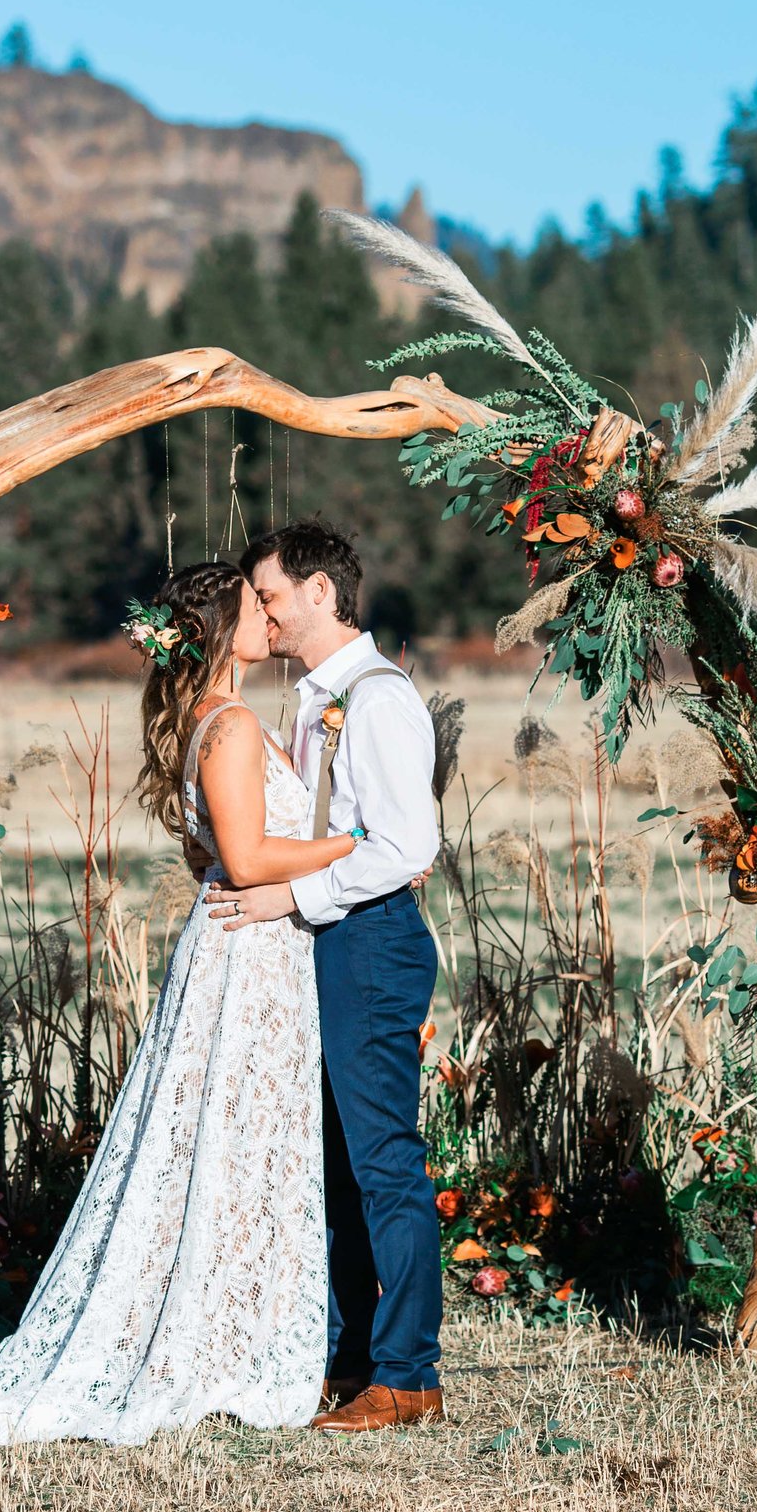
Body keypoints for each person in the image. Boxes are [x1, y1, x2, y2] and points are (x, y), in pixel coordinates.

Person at [0, 561, 352, 1445]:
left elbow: (212, 857)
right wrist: (354, 844)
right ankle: (215, 1343)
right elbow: (248, 860)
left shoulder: (214, 723)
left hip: (247, 946)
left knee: (234, 1142)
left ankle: (229, 1330)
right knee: (236, 1136)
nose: (267, 612)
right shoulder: (235, 726)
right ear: (218, 628)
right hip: (248, 954)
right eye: (253, 603)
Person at [208, 519, 446, 1433]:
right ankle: (348, 1361)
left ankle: (408, 1372)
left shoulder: (377, 700)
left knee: (384, 1160)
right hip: (332, 936)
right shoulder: (316, 698)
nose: (263, 614)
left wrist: (295, 899)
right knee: (337, 1165)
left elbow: (407, 845)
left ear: (319, 591)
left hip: (371, 942)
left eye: (270, 594)